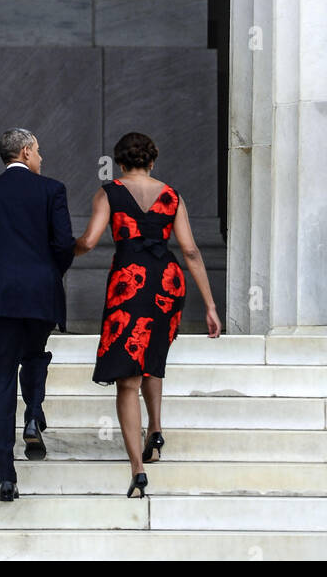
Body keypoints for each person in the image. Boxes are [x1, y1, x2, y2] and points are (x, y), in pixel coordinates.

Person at [74, 131, 222, 497]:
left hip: (130, 282)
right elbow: (189, 251)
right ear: (152, 161)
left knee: (128, 376)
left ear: (120, 163)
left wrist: (61, 251)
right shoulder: (171, 195)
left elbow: (89, 241)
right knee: (152, 356)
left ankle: (138, 471)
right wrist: (210, 305)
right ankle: (155, 429)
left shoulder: (109, 193)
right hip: (168, 283)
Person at [0, 127, 74, 501]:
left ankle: (6, 473)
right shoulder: (52, 190)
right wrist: (47, 273)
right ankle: (33, 413)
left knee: (1, 380)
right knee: (35, 354)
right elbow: (64, 245)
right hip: (39, 296)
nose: (41, 157)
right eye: (38, 151)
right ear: (25, 152)